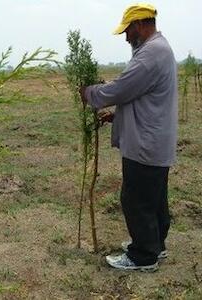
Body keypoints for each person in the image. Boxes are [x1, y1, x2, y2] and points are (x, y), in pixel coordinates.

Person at [80, 3, 178, 271]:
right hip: (155, 138)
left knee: (135, 199)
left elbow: (122, 89)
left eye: (127, 31)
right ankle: (156, 246)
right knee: (154, 198)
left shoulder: (151, 54)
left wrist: (90, 93)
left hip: (146, 143)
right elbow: (142, 96)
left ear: (139, 25)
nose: (126, 37)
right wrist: (117, 117)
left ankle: (143, 256)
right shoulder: (158, 48)